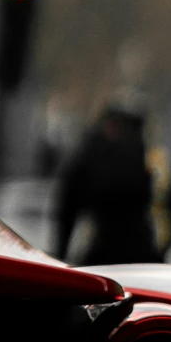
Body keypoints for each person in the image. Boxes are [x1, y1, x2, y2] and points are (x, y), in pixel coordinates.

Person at [54, 101, 158, 265]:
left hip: (112, 250)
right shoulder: (136, 154)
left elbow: (68, 207)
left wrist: (61, 254)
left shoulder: (93, 153)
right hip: (126, 251)